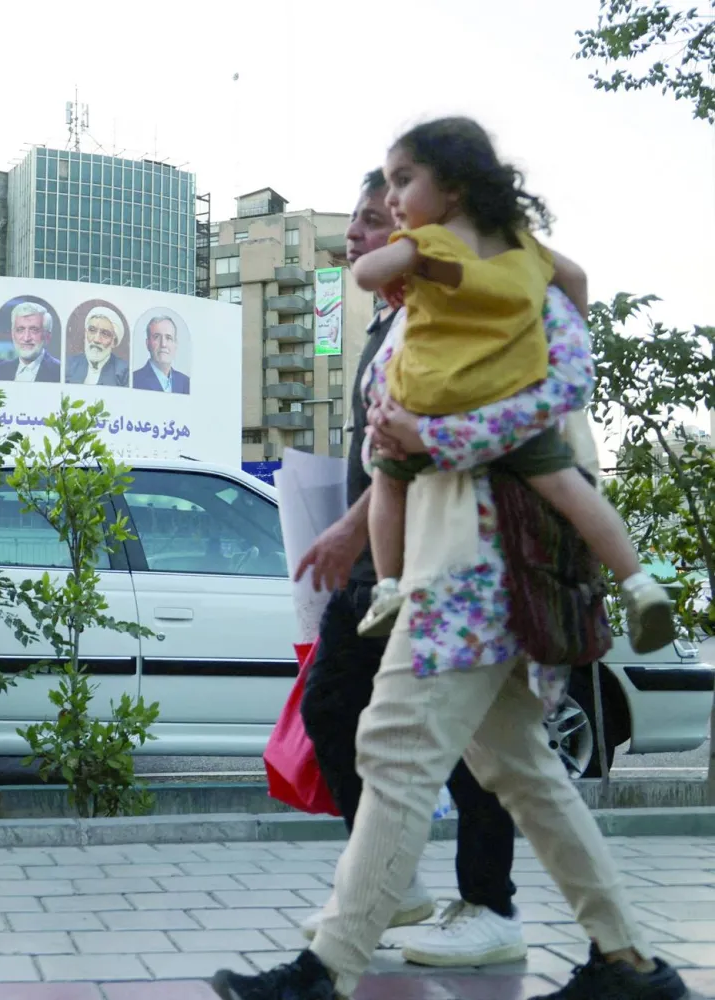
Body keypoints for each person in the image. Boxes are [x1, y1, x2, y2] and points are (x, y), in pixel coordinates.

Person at [212, 160, 688, 1000]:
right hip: (454, 564)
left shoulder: (503, 293)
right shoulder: (428, 307)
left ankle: (326, 969)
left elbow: (542, 417)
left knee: (392, 749)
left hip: (475, 570)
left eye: (401, 194)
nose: (385, 216)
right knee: (526, 772)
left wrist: (428, 440)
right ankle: (629, 961)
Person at [292, 169, 524, 971]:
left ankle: (489, 905)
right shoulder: (379, 328)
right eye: (352, 223)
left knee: (474, 740)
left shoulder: (445, 313)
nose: (352, 238)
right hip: (383, 560)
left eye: (368, 221)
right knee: (338, 711)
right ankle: (398, 887)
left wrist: (347, 533)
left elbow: (422, 447)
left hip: (439, 555)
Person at [350, 118, 671, 652]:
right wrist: (559, 331)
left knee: (387, 477)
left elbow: (365, 274)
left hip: (433, 406)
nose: (392, 196)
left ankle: (388, 586)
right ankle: (638, 581)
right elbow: (576, 280)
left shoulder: (429, 243)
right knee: (570, 489)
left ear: (453, 188)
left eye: (403, 180)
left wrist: (405, 254)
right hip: (513, 405)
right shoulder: (524, 250)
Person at [0, 301, 62, 382]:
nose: (26, 338)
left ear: (47, 337)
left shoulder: (60, 373)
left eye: (34, 330)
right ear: (12, 335)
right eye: (20, 330)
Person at [64, 307, 130, 386]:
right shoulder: (69, 364)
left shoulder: (124, 372)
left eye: (105, 333)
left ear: (113, 342)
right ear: (85, 333)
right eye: (92, 330)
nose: (96, 340)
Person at [131, 315, 190, 393]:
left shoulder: (186, 382)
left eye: (168, 338)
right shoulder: (134, 380)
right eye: (157, 337)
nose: (163, 344)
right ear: (147, 343)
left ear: (175, 344)